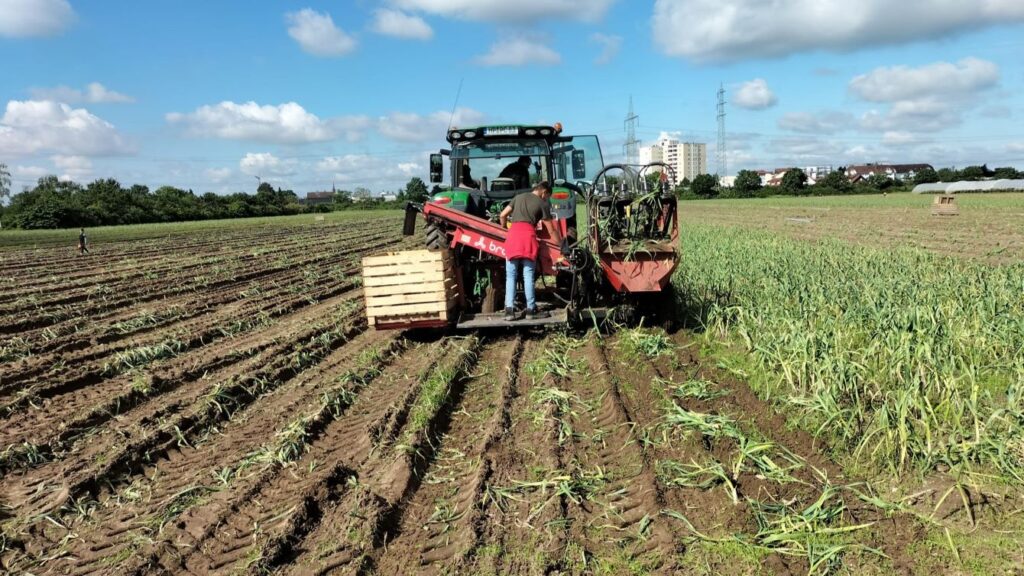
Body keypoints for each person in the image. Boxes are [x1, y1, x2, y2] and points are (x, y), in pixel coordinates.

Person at [498, 181, 562, 321]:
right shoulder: (542, 203)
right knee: (528, 275)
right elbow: (551, 229)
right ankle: (531, 310)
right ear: (543, 192)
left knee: (511, 275)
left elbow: (502, 215)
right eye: (547, 196)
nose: (546, 199)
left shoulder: (518, 197)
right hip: (528, 237)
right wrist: (560, 245)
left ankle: (509, 311)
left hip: (513, 235)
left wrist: (504, 229)